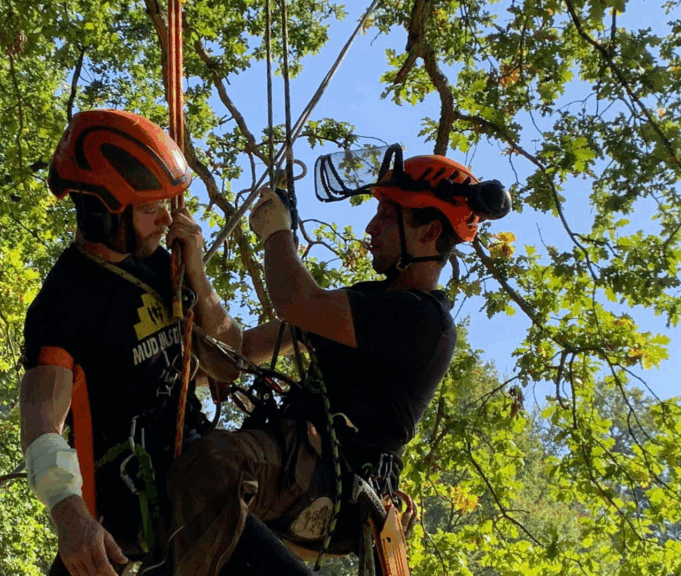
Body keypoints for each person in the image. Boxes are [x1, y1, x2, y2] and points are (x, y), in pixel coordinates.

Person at [163, 147, 510, 575]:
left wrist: (277, 234)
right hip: (297, 470)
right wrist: (195, 271)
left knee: (218, 464)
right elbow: (238, 352)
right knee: (175, 459)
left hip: (335, 487)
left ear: (427, 232)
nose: (371, 227)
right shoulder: (367, 301)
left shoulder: (423, 321)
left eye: (387, 215)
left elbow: (296, 300)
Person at [19, 109, 242, 576]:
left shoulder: (167, 266)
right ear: (102, 212)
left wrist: (196, 275)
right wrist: (70, 516)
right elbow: (42, 423)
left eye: (165, 203)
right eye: (148, 208)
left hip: (201, 475)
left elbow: (228, 365)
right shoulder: (64, 301)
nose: (166, 218)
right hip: (129, 502)